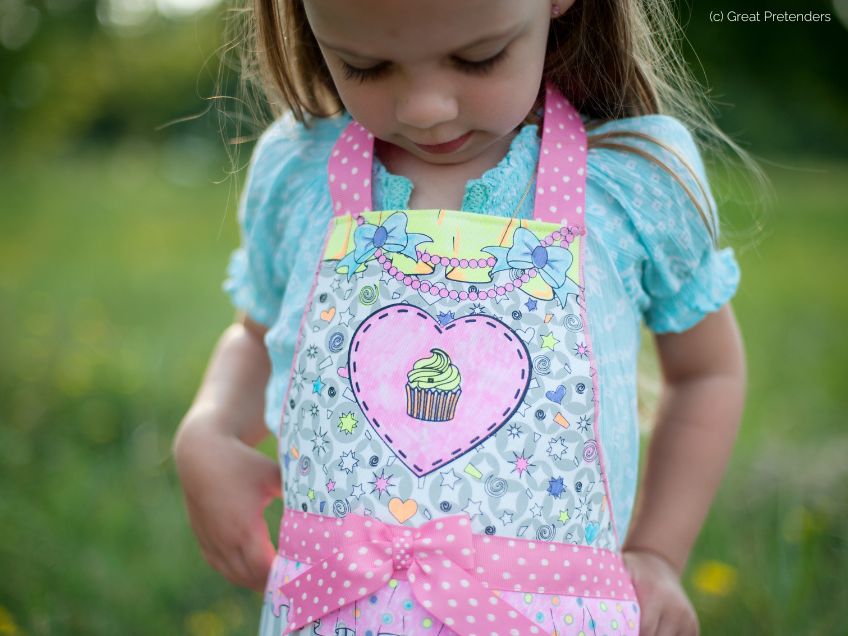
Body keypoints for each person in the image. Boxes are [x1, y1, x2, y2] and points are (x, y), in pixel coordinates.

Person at [173, 0, 747, 634]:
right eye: (366, 66)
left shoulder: (630, 179)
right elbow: (256, 336)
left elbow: (705, 371)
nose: (426, 107)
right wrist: (210, 428)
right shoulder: (300, 171)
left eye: (478, 58)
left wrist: (658, 553)